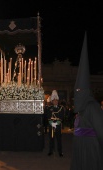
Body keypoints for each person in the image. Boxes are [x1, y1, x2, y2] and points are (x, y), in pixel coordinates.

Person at [70, 32, 103, 170]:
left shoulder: (92, 106)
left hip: (90, 148)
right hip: (80, 147)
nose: (78, 94)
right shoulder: (82, 108)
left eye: (80, 91)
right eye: (76, 91)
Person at [46, 90, 64, 157]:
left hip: (58, 125)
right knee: (51, 138)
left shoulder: (61, 108)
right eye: (54, 100)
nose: (55, 101)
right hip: (51, 125)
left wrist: (57, 123)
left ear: (58, 101)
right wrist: (51, 122)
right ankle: (51, 151)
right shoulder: (49, 108)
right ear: (52, 101)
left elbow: (62, 116)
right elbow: (48, 116)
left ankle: (60, 151)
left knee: (59, 139)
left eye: (56, 100)